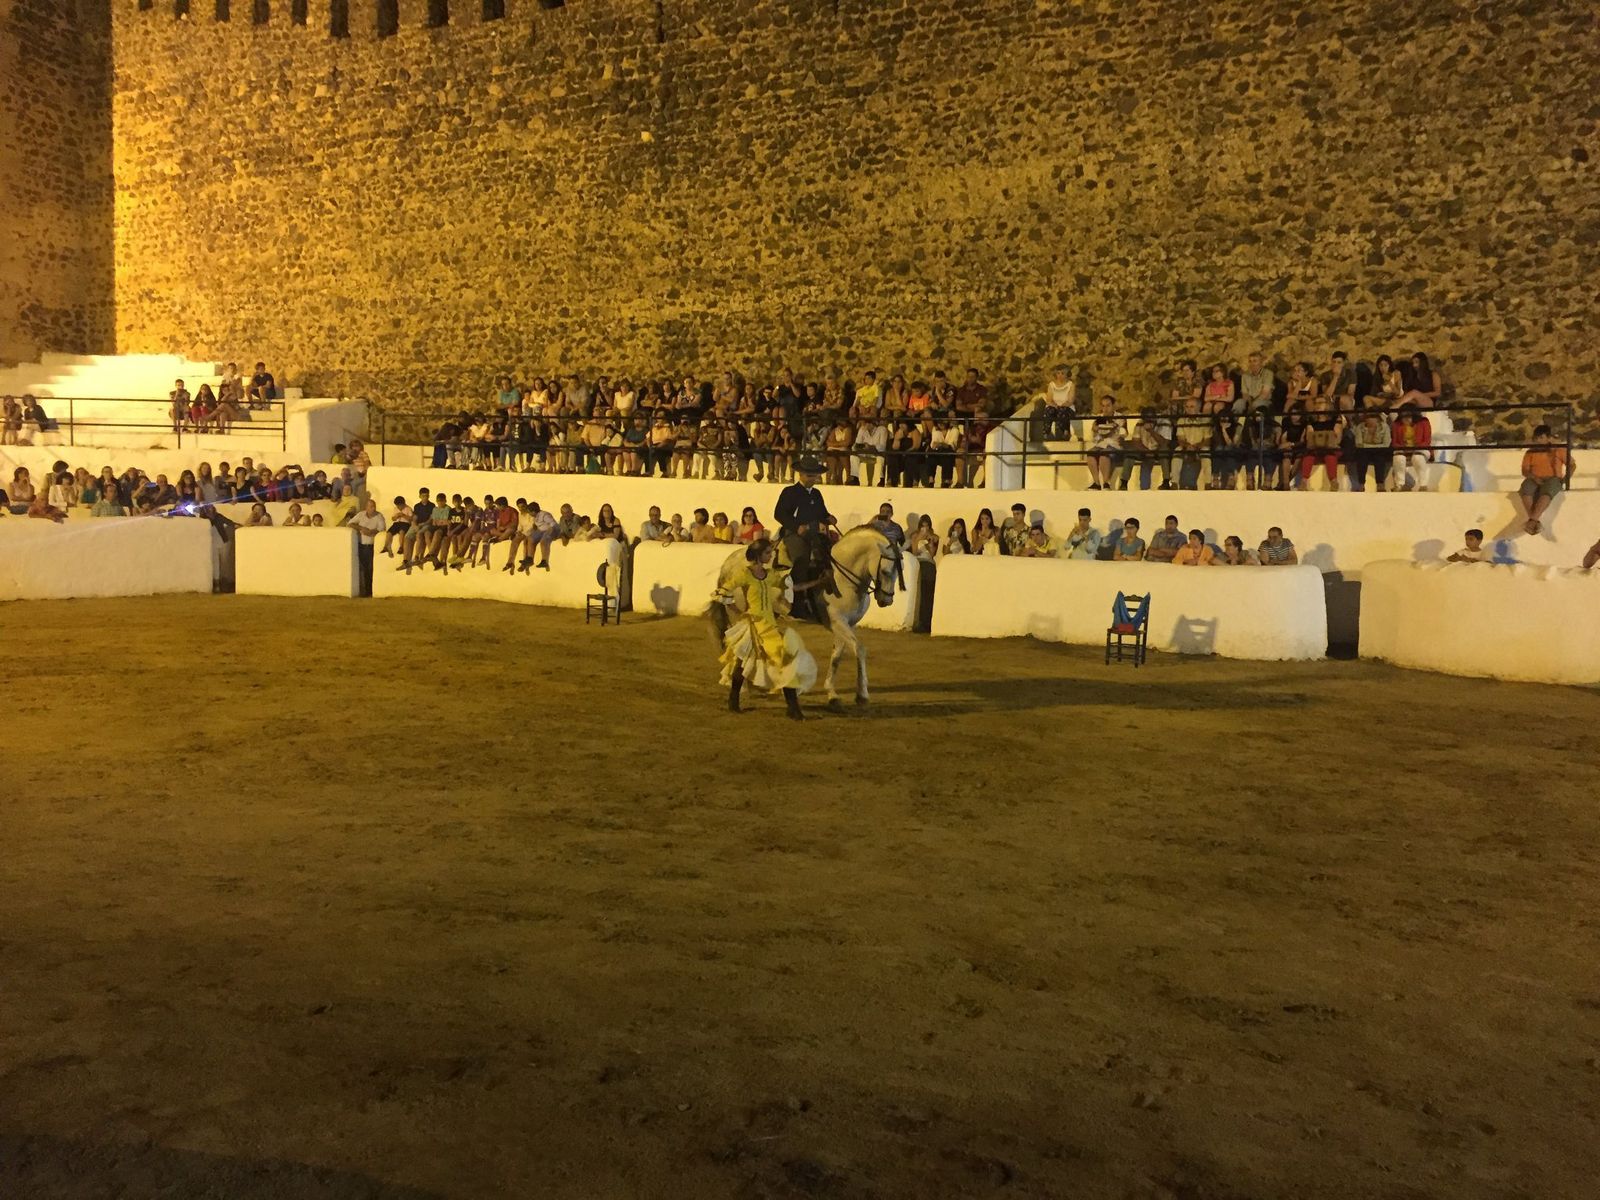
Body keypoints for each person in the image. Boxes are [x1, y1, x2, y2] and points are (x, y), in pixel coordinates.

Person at [715, 538, 814, 720]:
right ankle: (793, 709)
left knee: (743, 662)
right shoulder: (744, 574)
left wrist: (816, 583)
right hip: (754, 624)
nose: (771, 556)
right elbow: (723, 592)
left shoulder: (770, 576)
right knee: (757, 662)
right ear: (758, 555)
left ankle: (735, 700)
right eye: (767, 553)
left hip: (768, 624)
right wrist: (739, 611)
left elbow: (792, 587)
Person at [773, 456, 837, 618]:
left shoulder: (816, 494)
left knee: (832, 555)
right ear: (800, 475)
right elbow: (779, 514)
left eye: (814, 475)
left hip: (815, 534)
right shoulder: (790, 492)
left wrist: (829, 517)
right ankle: (796, 604)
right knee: (801, 559)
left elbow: (821, 513)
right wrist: (796, 527)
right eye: (810, 475)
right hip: (794, 534)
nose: (813, 478)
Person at [1517, 424, 1571, 535]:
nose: (1538, 440)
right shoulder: (1530, 452)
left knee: (1547, 492)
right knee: (1526, 488)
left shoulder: (1559, 450)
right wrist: (1534, 478)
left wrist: (1566, 479)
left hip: (1553, 478)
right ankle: (1534, 520)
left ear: (1548, 437)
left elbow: (1572, 465)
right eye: (1536, 438)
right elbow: (1525, 471)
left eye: (1541, 437)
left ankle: (1532, 520)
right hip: (1534, 477)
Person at [350, 498, 387, 596]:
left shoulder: (379, 516)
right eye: (370, 506)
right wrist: (361, 528)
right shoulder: (361, 514)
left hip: (372, 546)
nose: (372, 508)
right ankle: (365, 590)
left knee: (370, 569)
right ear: (366, 507)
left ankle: (369, 591)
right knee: (364, 568)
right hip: (361, 545)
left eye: (373, 506)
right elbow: (350, 523)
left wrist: (370, 532)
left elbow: (381, 530)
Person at [1042, 364, 1077, 440]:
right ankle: (1046, 433)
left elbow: (1070, 401)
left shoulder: (1070, 385)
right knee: (1049, 410)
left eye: (1062, 373)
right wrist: (1055, 406)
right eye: (1058, 373)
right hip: (1054, 406)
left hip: (1067, 407)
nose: (1060, 375)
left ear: (1067, 374)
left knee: (1062, 410)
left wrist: (1061, 406)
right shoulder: (1052, 385)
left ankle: (1065, 432)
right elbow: (1049, 400)